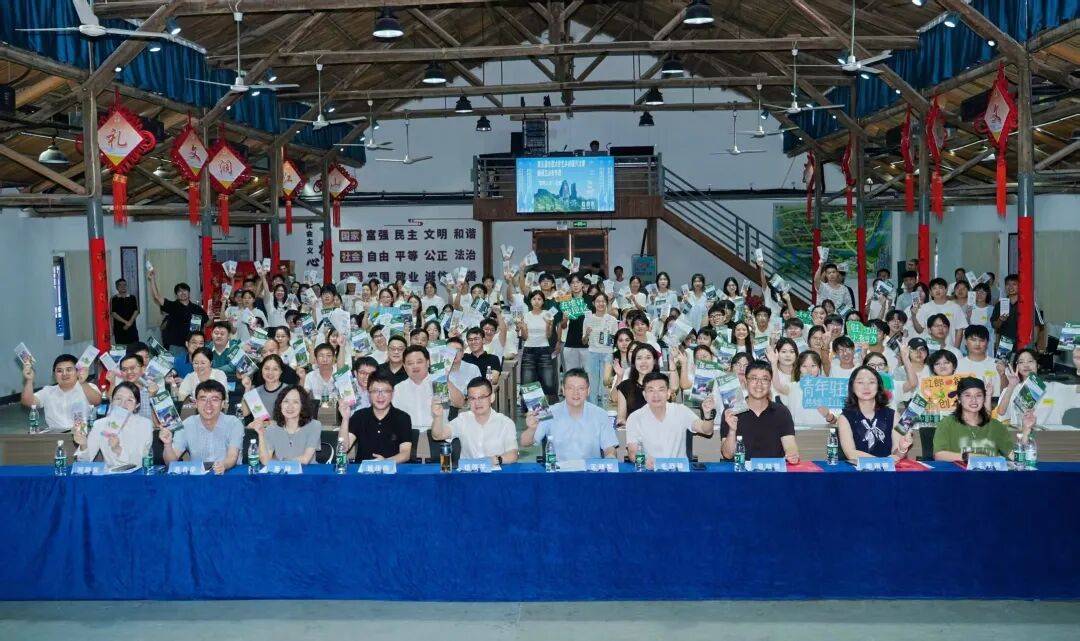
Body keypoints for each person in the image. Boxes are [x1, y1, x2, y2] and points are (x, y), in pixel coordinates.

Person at [520, 369, 619, 460]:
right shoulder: (548, 412)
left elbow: (609, 448)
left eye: (581, 388)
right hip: (558, 471)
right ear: (563, 390)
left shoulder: (600, 414)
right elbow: (524, 442)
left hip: (590, 471)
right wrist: (532, 429)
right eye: (570, 388)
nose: (576, 393)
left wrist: (610, 457)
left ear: (588, 391)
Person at [933, 377, 1034, 461]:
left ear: (984, 398)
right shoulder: (947, 423)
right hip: (959, 476)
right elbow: (939, 455)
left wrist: (1026, 430)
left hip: (990, 477)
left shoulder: (996, 426)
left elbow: (1014, 456)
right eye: (967, 395)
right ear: (959, 399)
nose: (973, 400)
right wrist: (969, 457)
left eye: (978, 395)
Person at [626, 372, 715, 466]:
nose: (656, 395)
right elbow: (632, 452)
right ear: (644, 395)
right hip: (650, 471)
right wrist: (645, 462)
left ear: (668, 393)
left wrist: (708, 415)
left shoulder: (681, 410)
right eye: (651, 390)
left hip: (678, 471)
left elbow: (706, 430)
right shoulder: (634, 417)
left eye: (661, 390)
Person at [720, 360, 800, 462]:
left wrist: (792, 454)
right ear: (746, 381)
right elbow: (727, 455)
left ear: (770, 383)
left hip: (772, 470)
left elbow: (790, 445)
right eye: (754, 378)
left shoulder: (782, 412)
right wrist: (732, 430)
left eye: (765, 379)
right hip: (741, 470)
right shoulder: (732, 411)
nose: (759, 384)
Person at [160, 380, 244, 474]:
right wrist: (167, 444)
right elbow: (170, 463)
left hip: (229, 475)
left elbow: (232, 456)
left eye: (214, 399)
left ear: (223, 404)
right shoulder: (186, 425)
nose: (208, 404)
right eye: (203, 399)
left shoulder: (234, 423)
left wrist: (223, 465)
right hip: (198, 478)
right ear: (196, 403)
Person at [431, 377, 518, 465]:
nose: (477, 403)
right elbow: (438, 435)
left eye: (482, 397)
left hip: (496, 470)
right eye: (472, 398)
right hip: (467, 472)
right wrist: (437, 417)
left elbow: (513, 455)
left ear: (492, 397)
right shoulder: (463, 419)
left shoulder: (505, 423)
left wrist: (495, 460)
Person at [836, 366, 912, 462]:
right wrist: (883, 461)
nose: (866, 387)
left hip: (887, 470)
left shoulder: (893, 415)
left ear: (878, 386)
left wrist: (902, 449)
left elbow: (896, 456)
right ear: (852, 387)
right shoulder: (844, 417)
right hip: (857, 470)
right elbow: (850, 453)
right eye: (860, 382)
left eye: (871, 382)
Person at [73, 382, 152, 468]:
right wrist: (84, 445)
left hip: (137, 474)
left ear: (137, 405)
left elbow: (138, 461)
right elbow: (84, 462)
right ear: (111, 401)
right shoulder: (100, 424)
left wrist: (117, 449)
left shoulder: (145, 424)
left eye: (129, 400)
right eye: (118, 398)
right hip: (109, 474)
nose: (122, 404)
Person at [340, 372, 413, 463]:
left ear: (392, 393)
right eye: (375, 391)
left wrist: (385, 462)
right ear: (368, 393)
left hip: (392, 470)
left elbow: (405, 454)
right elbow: (343, 448)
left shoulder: (403, 418)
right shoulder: (359, 416)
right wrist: (345, 419)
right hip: (362, 471)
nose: (380, 396)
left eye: (385, 391)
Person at [20, 354, 103, 431]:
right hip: (56, 436)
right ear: (54, 374)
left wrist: (83, 382)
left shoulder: (87, 387)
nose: (64, 374)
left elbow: (96, 401)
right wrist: (29, 380)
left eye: (69, 370)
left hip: (82, 434)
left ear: (77, 371)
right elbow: (27, 402)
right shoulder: (48, 391)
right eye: (59, 371)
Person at [249, 385, 324, 464]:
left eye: (295, 402)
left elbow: (305, 459)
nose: (290, 406)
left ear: (302, 406)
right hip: (281, 471)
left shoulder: (314, 426)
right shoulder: (272, 429)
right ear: (280, 405)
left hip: (307, 471)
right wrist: (261, 434)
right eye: (286, 401)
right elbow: (265, 461)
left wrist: (278, 461)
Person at [147, 269, 209, 359]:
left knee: (195, 366)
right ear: (176, 295)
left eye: (185, 290)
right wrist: (152, 279)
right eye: (179, 291)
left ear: (189, 293)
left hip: (194, 345)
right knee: (177, 366)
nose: (182, 293)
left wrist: (211, 318)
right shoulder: (172, 306)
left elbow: (207, 323)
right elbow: (157, 296)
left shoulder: (197, 308)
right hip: (177, 346)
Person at [990, 274, 1046, 353]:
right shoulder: (1000, 304)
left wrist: (1033, 343)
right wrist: (1000, 320)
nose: (1010, 287)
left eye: (1014, 284)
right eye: (1008, 284)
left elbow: (1037, 326)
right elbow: (994, 325)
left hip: (1024, 342)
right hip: (1005, 342)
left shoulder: (1029, 304)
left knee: (1022, 361)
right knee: (1003, 361)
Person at [517, 289, 556, 399]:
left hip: (544, 350)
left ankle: (546, 407)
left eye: (539, 299)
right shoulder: (526, 315)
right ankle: (531, 408)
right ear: (530, 301)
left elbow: (548, 335)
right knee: (528, 381)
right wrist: (522, 328)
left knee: (547, 381)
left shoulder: (548, 314)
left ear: (543, 301)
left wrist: (548, 324)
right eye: (534, 299)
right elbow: (525, 337)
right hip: (529, 350)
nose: (537, 301)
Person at [584, 292, 619, 406]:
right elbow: (584, 341)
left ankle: (605, 410)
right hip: (592, 353)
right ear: (593, 303)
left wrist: (608, 337)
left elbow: (615, 340)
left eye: (603, 301)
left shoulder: (612, 320)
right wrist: (587, 334)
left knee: (605, 383)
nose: (601, 304)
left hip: (607, 354)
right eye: (598, 301)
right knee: (593, 384)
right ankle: (593, 408)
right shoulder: (588, 319)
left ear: (606, 303)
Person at [393, 345, 436, 432]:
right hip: (408, 435)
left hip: (436, 434)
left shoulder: (440, 383)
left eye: (419, 362)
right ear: (404, 367)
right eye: (410, 363)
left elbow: (459, 403)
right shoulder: (398, 389)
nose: (415, 366)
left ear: (428, 363)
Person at [913, 278, 968, 347]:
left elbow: (959, 329)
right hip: (930, 347)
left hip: (949, 347)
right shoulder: (924, 307)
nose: (937, 290)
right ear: (930, 292)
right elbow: (919, 330)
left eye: (940, 287)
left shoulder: (955, 307)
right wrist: (913, 315)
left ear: (946, 290)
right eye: (934, 288)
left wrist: (956, 348)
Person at [240, 355, 289, 420]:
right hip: (260, 426)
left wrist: (268, 423)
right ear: (262, 370)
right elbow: (243, 413)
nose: (270, 372)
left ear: (281, 371)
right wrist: (247, 388)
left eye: (275, 369)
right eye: (266, 368)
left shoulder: (289, 391)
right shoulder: (256, 392)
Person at [110, 278, 140, 346]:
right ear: (117, 288)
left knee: (135, 347)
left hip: (132, 328)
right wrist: (126, 322)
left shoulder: (132, 297)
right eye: (120, 285)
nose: (123, 287)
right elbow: (113, 313)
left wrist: (130, 323)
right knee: (122, 348)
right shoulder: (114, 299)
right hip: (119, 329)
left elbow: (136, 311)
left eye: (124, 285)